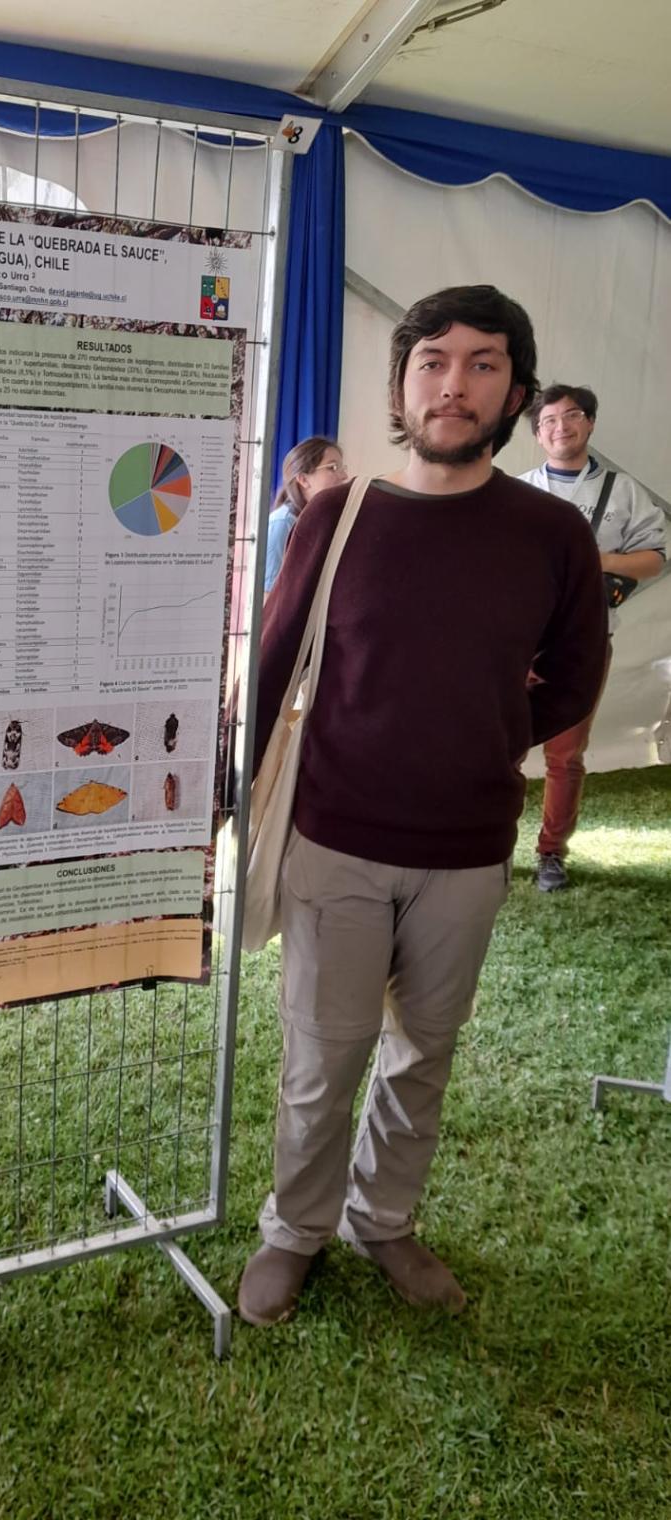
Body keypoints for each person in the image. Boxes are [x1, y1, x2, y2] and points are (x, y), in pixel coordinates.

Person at [238, 286, 608, 1328]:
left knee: (422, 1050)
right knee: (325, 1052)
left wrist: (488, 734)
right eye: (434, 359)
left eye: (484, 363)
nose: (455, 382)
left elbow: (577, 674)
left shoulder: (552, 534)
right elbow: (272, 663)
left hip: (466, 850)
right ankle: (293, 1229)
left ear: (517, 390)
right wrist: (228, 799)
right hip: (334, 840)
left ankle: (381, 1218)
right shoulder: (335, 515)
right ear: (401, 382)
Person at [518, 385, 667, 891]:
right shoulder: (517, 492)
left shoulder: (623, 492)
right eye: (550, 420)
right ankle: (487, 844)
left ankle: (551, 853)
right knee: (499, 743)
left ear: (590, 424)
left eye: (573, 416)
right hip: (517, 639)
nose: (562, 427)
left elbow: (656, 558)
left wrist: (598, 561)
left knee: (565, 752)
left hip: (585, 639)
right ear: (538, 434)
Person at [264, 437, 347, 592]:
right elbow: (267, 597)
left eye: (342, 468)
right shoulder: (281, 524)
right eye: (333, 468)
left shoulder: (326, 522)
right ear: (303, 479)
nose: (344, 476)